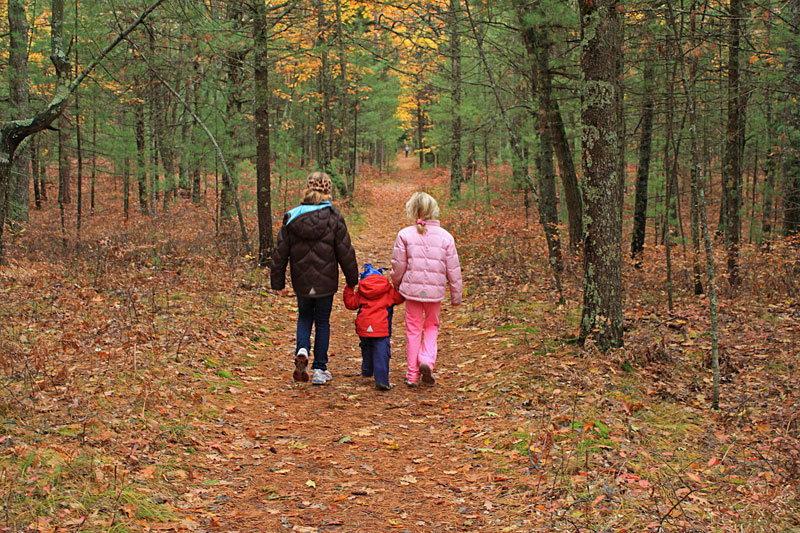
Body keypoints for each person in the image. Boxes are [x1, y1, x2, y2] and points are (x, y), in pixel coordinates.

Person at [271, 172, 359, 385]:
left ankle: (302, 349)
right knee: (322, 322)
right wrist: (352, 279)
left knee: (304, 317)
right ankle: (320, 368)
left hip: (302, 281)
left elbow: (280, 253)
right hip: (325, 281)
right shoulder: (333, 216)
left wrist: (278, 283)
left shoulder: (291, 216)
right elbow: (345, 251)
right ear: (328, 190)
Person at [391, 192, 462, 386]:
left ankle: (412, 375)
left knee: (413, 330)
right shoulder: (446, 237)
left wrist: (396, 285)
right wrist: (456, 295)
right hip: (435, 293)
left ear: (413, 211)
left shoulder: (404, 235)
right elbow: (453, 270)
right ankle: (426, 360)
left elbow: (399, 266)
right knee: (431, 326)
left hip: (412, 292)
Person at [344, 264, 405, 391]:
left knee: (366, 347)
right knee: (381, 352)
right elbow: (399, 299)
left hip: (364, 327)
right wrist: (398, 286)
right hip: (382, 328)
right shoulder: (388, 290)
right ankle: (382, 380)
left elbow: (350, 304)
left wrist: (349, 288)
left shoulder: (362, 291)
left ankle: (367, 370)